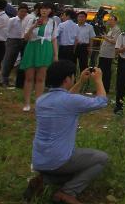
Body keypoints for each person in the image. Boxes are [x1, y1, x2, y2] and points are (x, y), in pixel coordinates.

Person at [24, 60, 109, 204]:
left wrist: (81, 82)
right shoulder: (70, 101)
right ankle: (67, 192)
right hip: (59, 159)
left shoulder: (41, 100)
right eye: (73, 77)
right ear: (66, 79)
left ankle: (44, 180)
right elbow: (101, 101)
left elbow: (64, 98)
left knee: (75, 170)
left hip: (39, 160)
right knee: (102, 159)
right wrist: (99, 80)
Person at [21, 2, 58, 112]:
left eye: (46, 8)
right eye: (42, 8)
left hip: (46, 48)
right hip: (32, 47)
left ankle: (38, 103)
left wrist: (56, 55)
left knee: (41, 78)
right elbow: (26, 37)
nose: (44, 10)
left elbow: (54, 39)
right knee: (29, 77)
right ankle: (27, 103)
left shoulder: (53, 22)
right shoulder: (32, 19)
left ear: (50, 11)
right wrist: (33, 26)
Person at [0, 3, 29, 88]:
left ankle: (18, 80)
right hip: (12, 40)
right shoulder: (12, 20)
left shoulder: (27, 21)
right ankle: (3, 79)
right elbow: (6, 31)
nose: (23, 13)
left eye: (25, 12)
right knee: (9, 60)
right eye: (21, 11)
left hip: (23, 40)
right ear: (18, 11)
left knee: (21, 61)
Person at [96, 15, 119, 93]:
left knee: (106, 72)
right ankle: (100, 88)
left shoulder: (117, 30)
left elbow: (114, 41)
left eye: (111, 20)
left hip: (108, 55)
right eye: (109, 19)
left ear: (115, 21)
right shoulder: (110, 29)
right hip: (103, 53)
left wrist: (105, 37)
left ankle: (105, 89)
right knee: (101, 71)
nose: (109, 21)